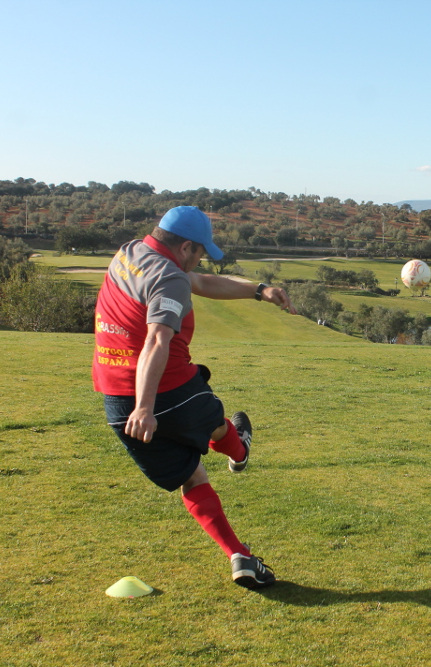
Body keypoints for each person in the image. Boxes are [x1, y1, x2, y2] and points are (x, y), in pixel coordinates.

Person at [92, 205, 295, 589]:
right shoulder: (170, 279)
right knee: (215, 424)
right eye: (201, 251)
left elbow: (200, 282)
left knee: (192, 477)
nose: (201, 259)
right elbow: (157, 338)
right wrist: (147, 407)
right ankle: (241, 451)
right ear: (186, 247)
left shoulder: (130, 252)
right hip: (168, 391)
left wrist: (258, 291)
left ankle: (240, 557)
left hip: (116, 401)